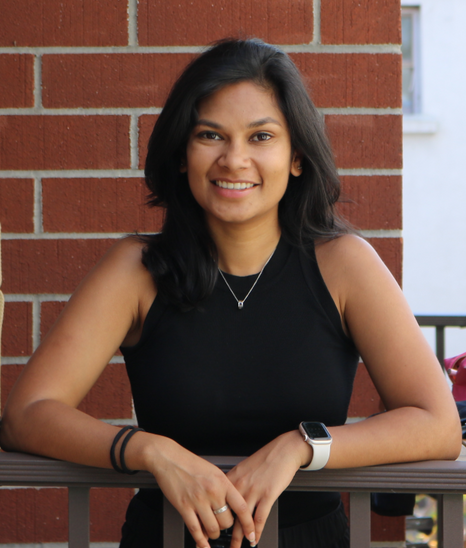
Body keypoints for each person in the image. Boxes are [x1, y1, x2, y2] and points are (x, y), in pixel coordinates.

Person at [0, 38, 461, 548]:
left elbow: (437, 424)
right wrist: (149, 450)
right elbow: (27, 413)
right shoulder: (136, 269)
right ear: (182, 155)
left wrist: (302, 445)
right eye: (210, 135)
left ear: (297, 158)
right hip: (170, 539)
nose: (234, 159)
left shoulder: (344, 264)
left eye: (261, 136)